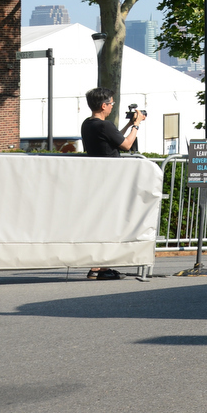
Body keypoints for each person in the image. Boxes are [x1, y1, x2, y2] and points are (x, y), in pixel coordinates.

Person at [79, 87, 146, 280]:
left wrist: (128, 125)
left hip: (96, 179)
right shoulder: (104, 126)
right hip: (110, 180)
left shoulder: (88, 124)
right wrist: (137, 126)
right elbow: (125, 145)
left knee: (101, 223)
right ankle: (98, 268)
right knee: (108, 224)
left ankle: (99, 266)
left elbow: (114, 138)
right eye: (111, 103)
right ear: (103, 105)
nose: (112, 107)